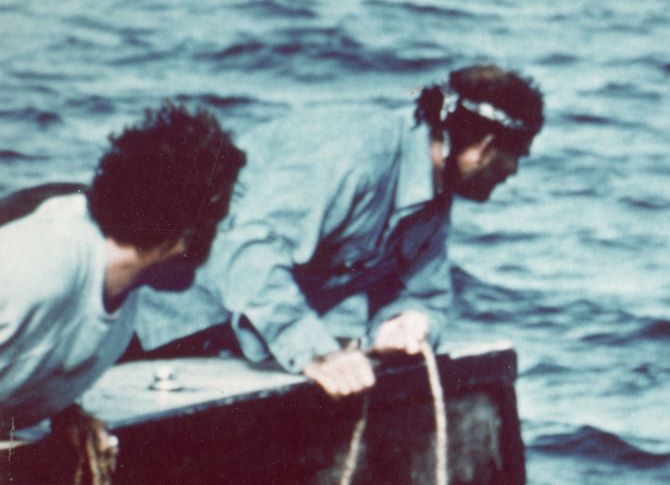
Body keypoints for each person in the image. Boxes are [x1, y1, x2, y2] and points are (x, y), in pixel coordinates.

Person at [131, 63, 545, 398]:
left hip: (233, 348)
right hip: (148, 324)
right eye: (517, 157)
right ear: (486, 147)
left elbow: (425, 293)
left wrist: (405, 321)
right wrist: (317, 353)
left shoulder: (433, 194)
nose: (513, 173)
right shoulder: (356, 156)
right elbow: (250, 250)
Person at [0, 104, 245, 433]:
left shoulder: (120, 294)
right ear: (184, 234)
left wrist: (65, 413)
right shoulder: (41, 265)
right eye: (217, 222)